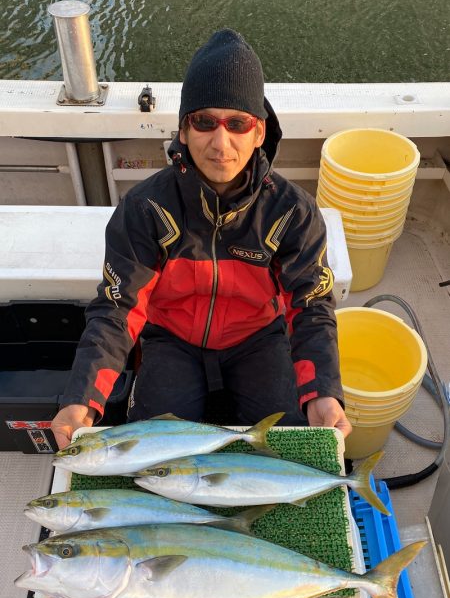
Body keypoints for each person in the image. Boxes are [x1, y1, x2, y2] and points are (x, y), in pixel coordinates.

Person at [51, 28, 351, 450]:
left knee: (291, 442)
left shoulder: (293, 212)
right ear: (184, 129)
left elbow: (311, 306)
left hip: (258, 339)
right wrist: (81, 399)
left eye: (238, 123)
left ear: (259, 132)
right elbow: (118, 308)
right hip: (171, 341)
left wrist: (322, 391)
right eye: (205, 122)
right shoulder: (145, 207)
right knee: (148, 450)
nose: (220, 141)